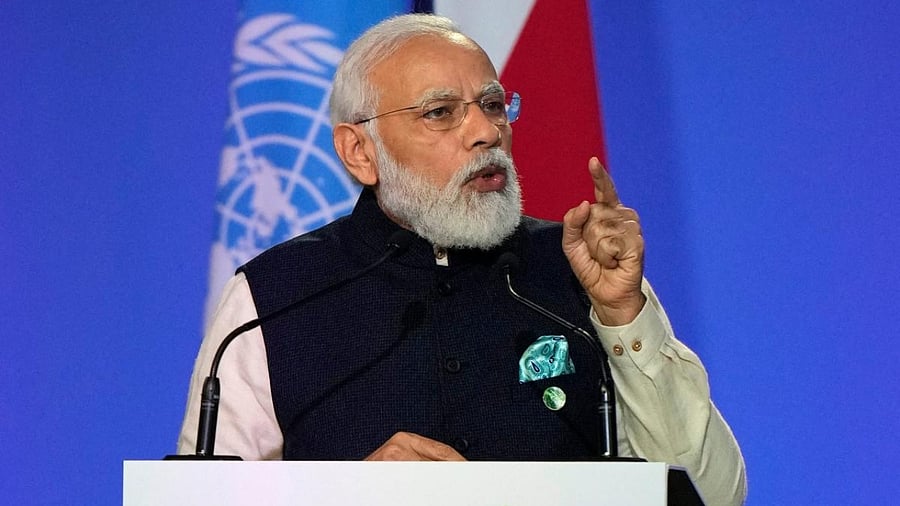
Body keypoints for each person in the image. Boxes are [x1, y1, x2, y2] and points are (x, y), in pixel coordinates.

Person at [178, 13, 747, 505]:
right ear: (359, 151)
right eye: (440, 112)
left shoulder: (580, 271)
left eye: (493, 105)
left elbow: (712, 494)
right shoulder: (273, 297)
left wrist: (624, 317)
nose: (485, 132)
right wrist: (344, 493)